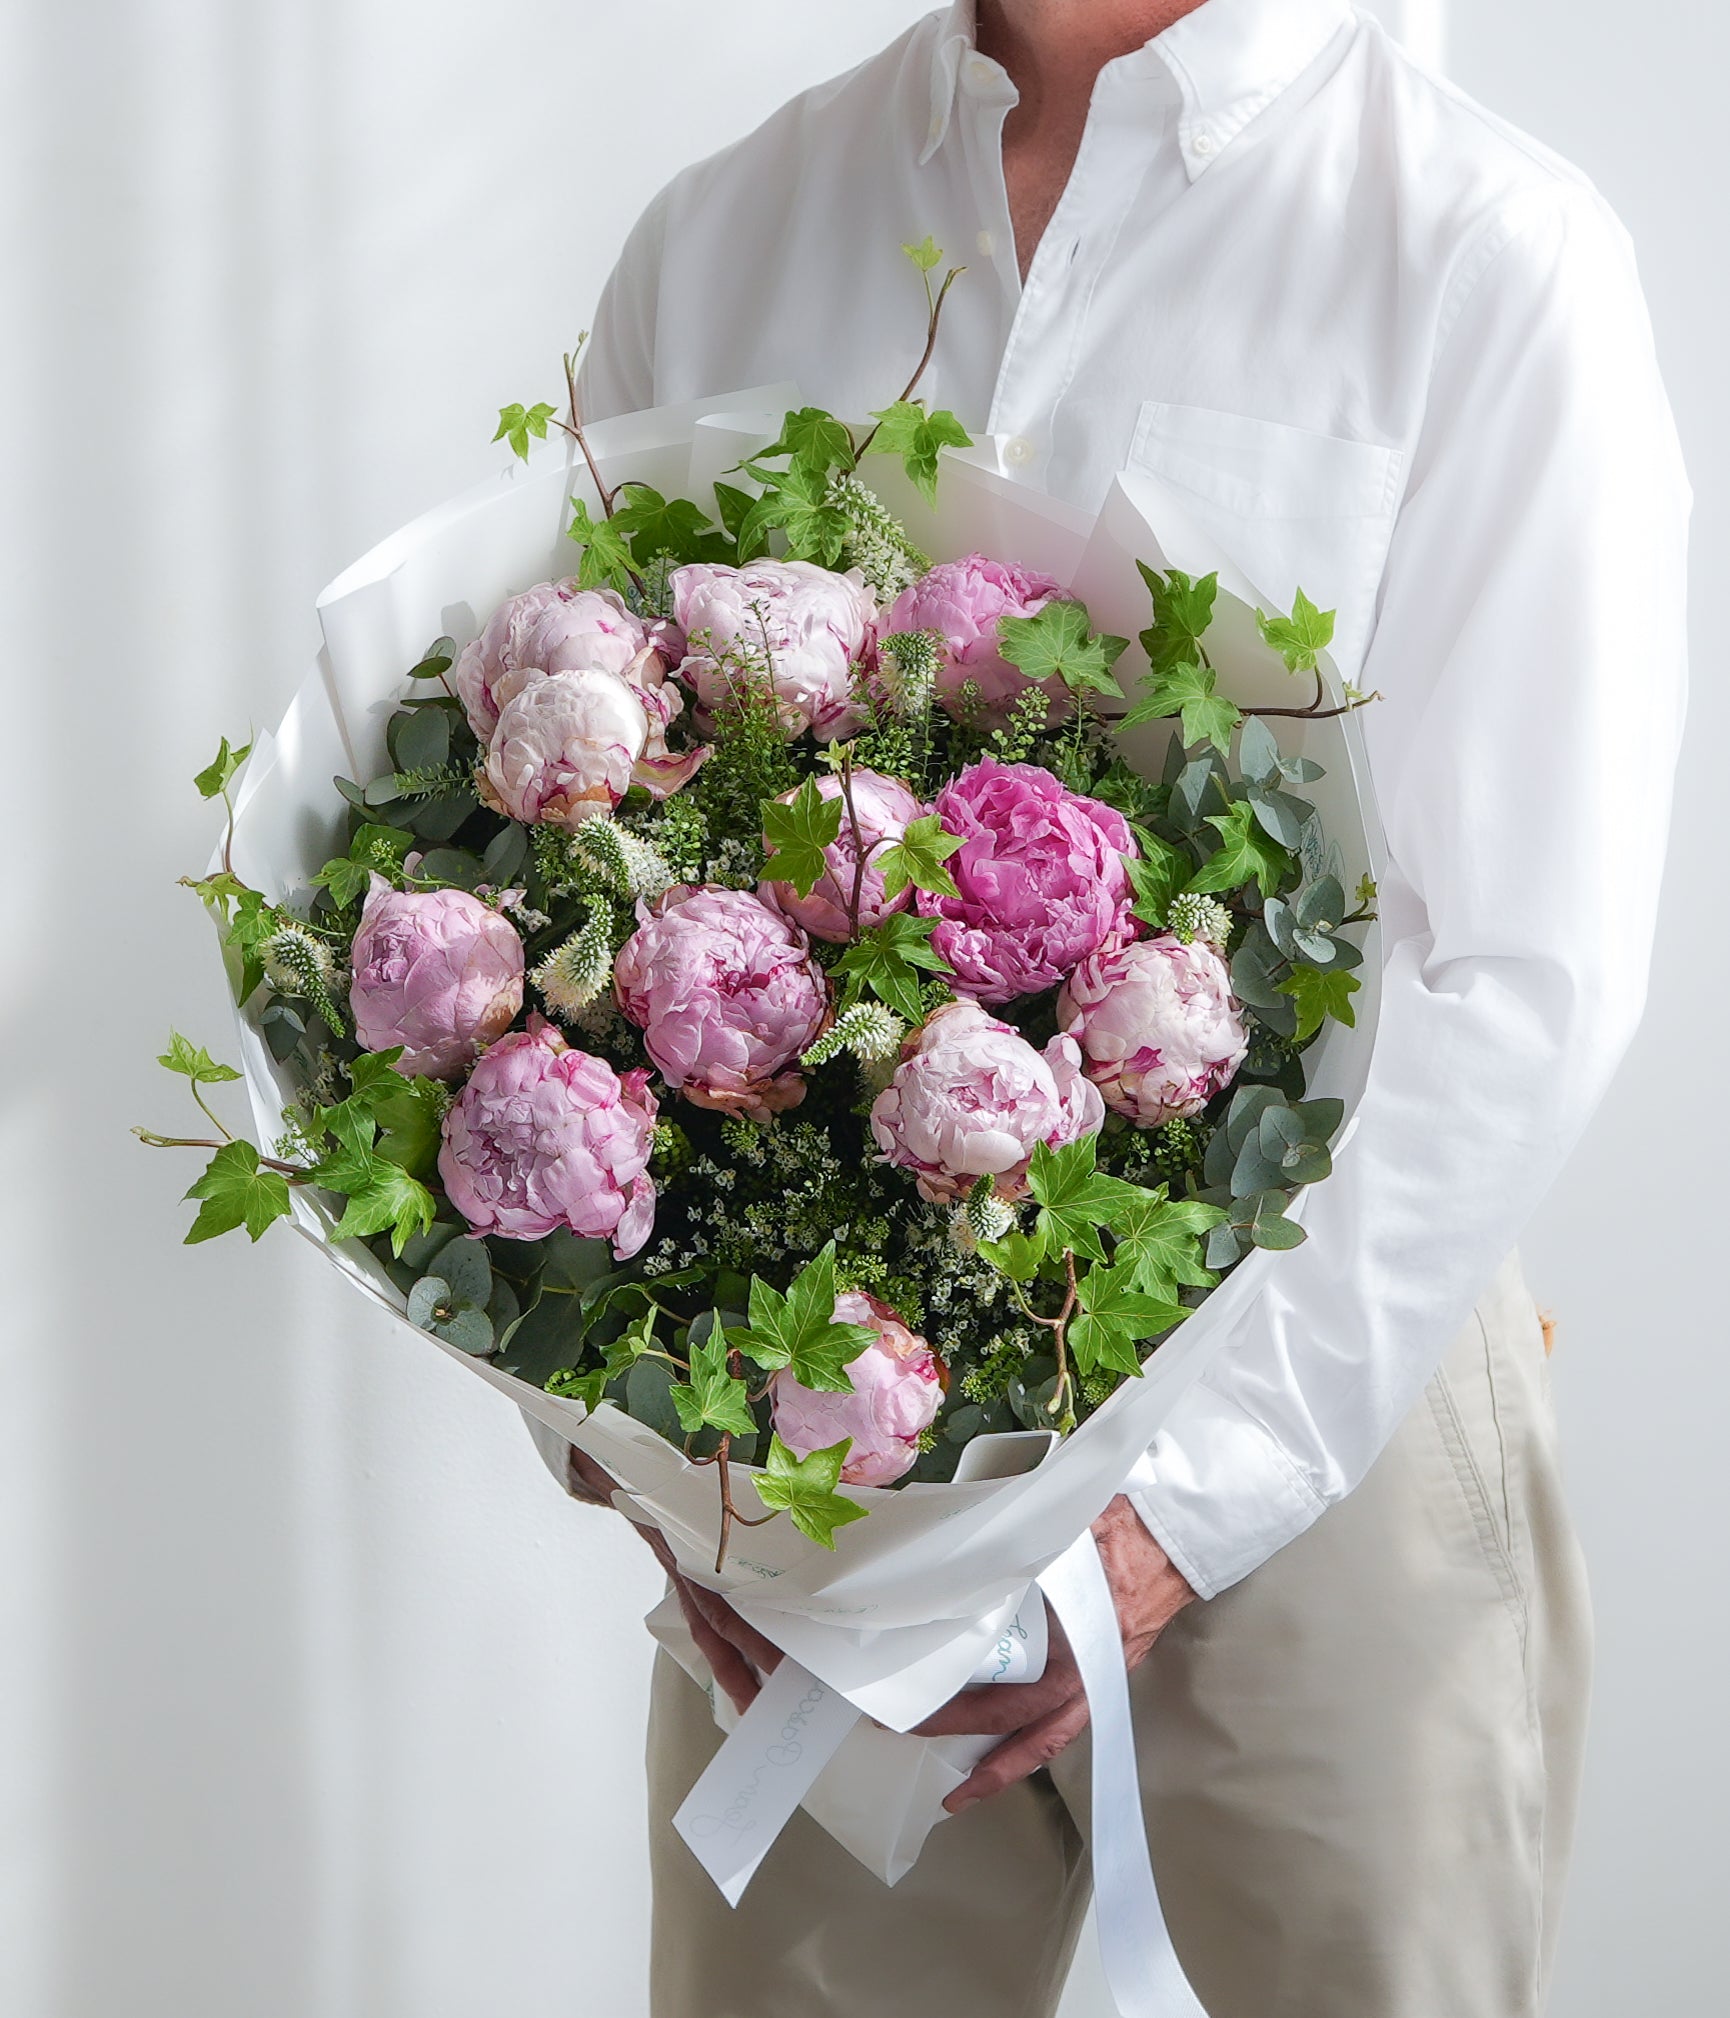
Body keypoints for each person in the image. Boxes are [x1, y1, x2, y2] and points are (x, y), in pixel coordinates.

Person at [531, 3, 1689, 2013]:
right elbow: (550, 852)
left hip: (1332, 1380)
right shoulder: (727, 237)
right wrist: (656, 1453)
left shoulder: (1486, 254)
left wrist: (1167, 1512)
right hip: (823, 1445)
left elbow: (1517, 960)